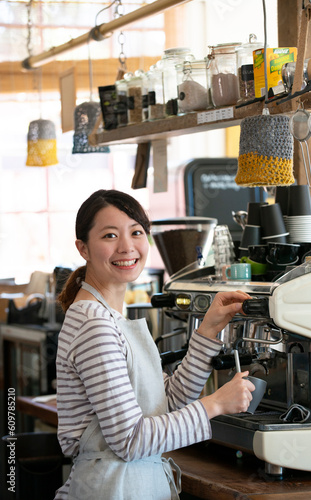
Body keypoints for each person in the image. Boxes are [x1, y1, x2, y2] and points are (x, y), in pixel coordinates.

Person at [55, 189, 255, 500]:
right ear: (83, 248)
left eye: (136, 232)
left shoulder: (109, 317)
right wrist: (216, 404)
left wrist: (209, 330)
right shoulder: (94, 325)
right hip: (113, 490)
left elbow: (168, 404)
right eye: (109, 235)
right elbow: (131, 440)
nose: (127, 247)